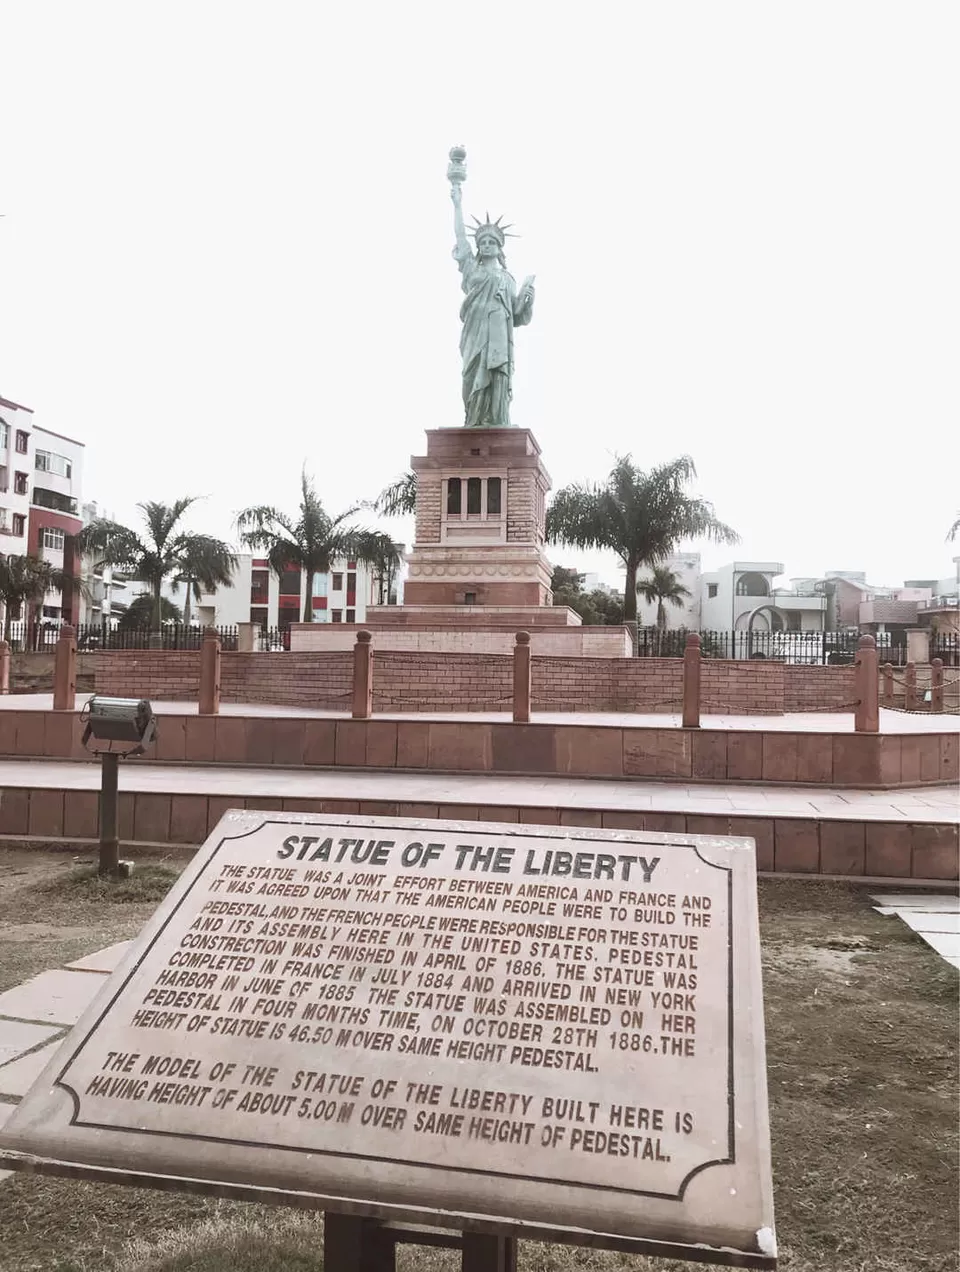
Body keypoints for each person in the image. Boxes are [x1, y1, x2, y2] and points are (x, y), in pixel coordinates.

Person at [451, 182, 534, 428]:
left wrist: (528, 300)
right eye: (483, 242)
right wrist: (457, 203)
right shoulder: (471, 269)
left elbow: (517, 316)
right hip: (475, 333)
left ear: (499, 248)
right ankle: (474, 420)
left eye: (492, 242)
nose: (486, 245)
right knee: (471, 375)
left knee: (497, 373)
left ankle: (496, 419)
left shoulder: (508, 278)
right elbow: (459, 238)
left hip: (499, 335)